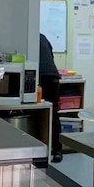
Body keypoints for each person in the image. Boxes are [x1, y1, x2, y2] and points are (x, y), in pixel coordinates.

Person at [39, 33, 63, 163]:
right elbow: (51, 56)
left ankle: (41, 149)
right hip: (53, 76)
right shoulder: (43, 37)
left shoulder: (27, 37)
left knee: (38, 112)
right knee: (53, 113)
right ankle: (57, 150)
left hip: (41, 76)